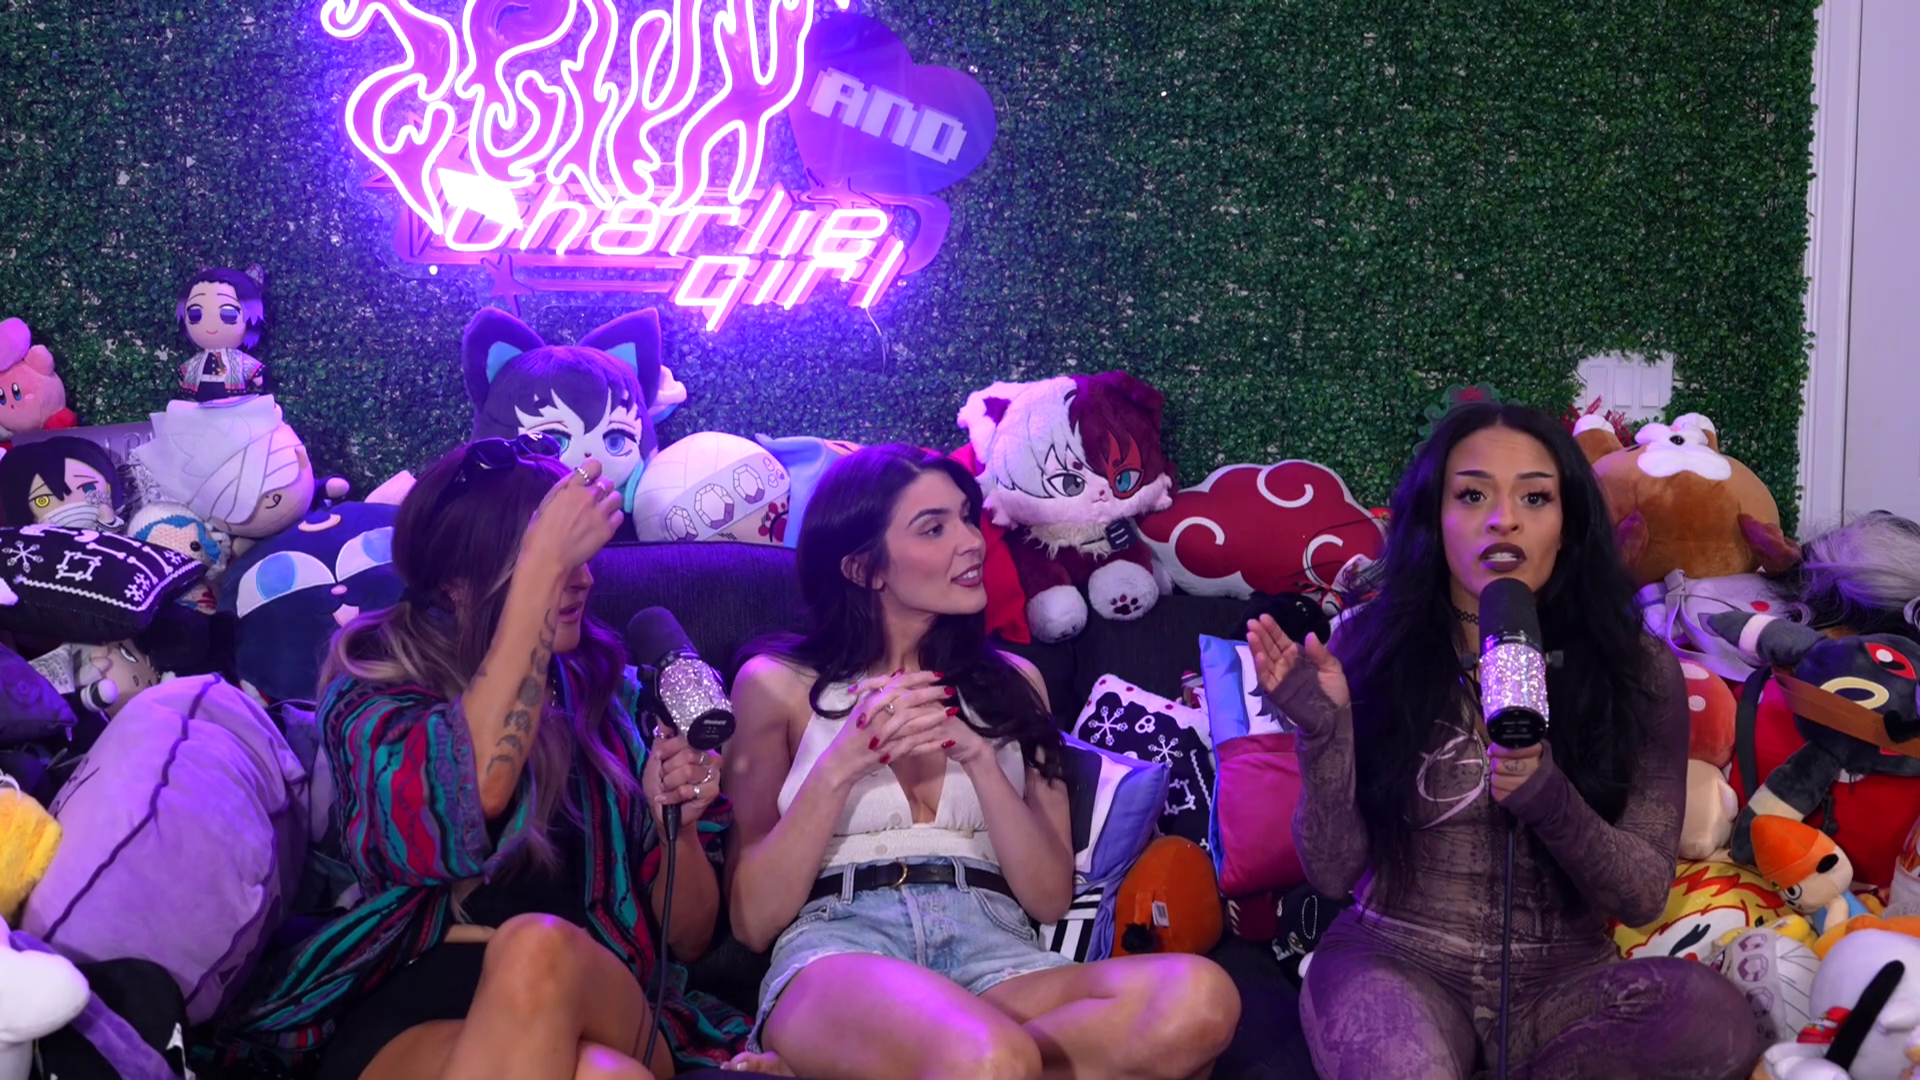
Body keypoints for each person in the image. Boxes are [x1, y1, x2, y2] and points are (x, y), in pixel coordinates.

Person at [1250, 403, 1762, 1079]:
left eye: (1535, 497)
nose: (1504, 520)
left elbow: (1641, 896)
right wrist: (1323, 736)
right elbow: (1332, 873)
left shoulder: (1637, 668)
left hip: (1562, 982)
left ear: (1567, 522)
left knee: (1714, 1020)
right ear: (1433, 518)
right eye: (1472, 495)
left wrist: (1550, 797)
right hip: (1396, 958)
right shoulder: (1369, 647)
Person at [214, 434, 750, 1080]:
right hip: (416, 997)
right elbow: (469, 795)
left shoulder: (618, 698)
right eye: (556, 561)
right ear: (454, 582)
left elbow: (688, 939)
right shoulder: (371, 691)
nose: (582, 579)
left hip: (602, 992)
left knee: (537, 950)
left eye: (580, 559)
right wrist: (541, 567)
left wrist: (679, 829)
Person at [722, 443, 1240, 1080]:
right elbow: (751, 921)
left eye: (967, 518)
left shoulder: (1016, 683)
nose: (971, 541)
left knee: (1201, 1000)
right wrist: (844, 762)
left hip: (995, 948)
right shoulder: (775, 685)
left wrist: (978, 756)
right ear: (864, 568)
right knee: (991, 1059)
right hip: (843, 945)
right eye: (933, 528)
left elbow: (1047, 899)